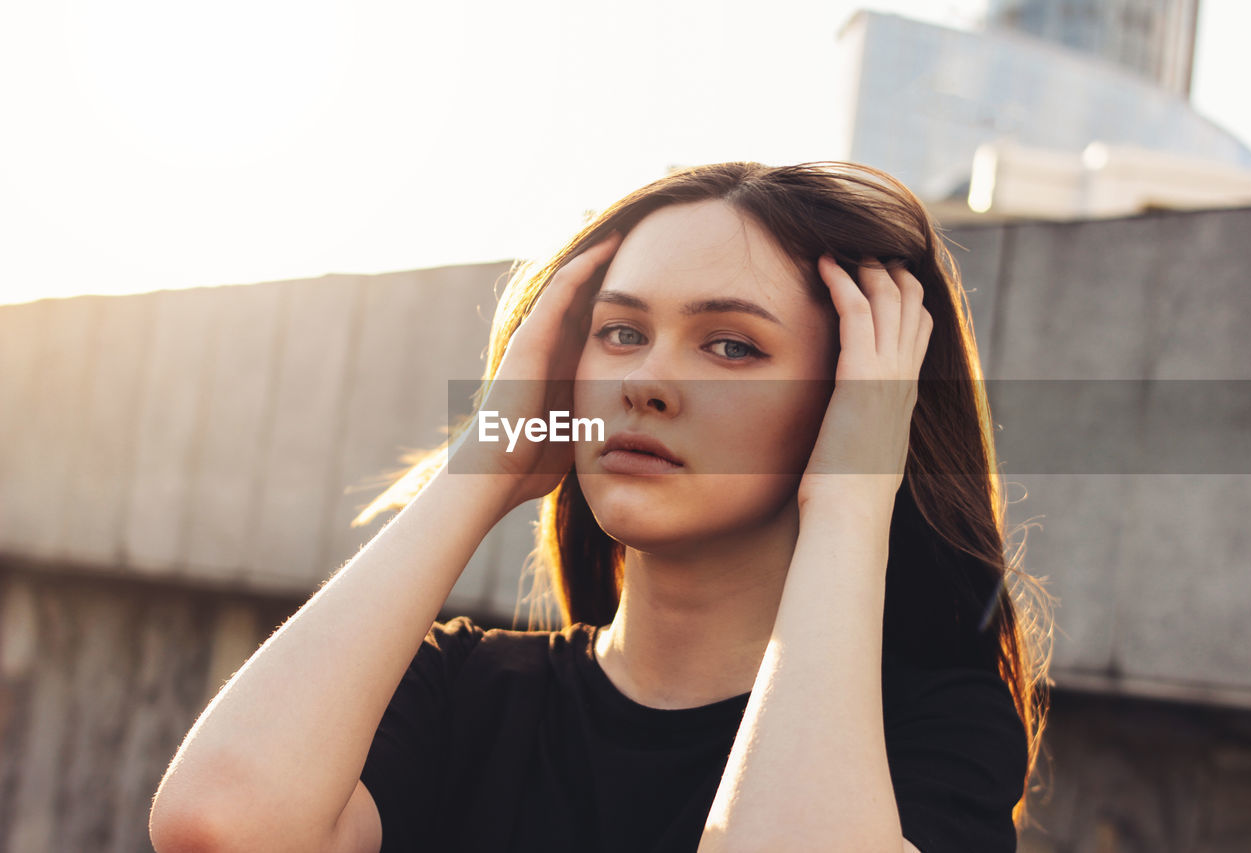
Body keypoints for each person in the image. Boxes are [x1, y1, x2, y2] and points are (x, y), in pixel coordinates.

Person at [149, 161, 1052, 853]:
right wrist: (484, 462)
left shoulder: (935, 734)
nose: (647, 380)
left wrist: (853, 498)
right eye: (619, 333)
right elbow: (220, 825)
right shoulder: (459, 691)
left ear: (854, 399)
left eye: (731, 345)